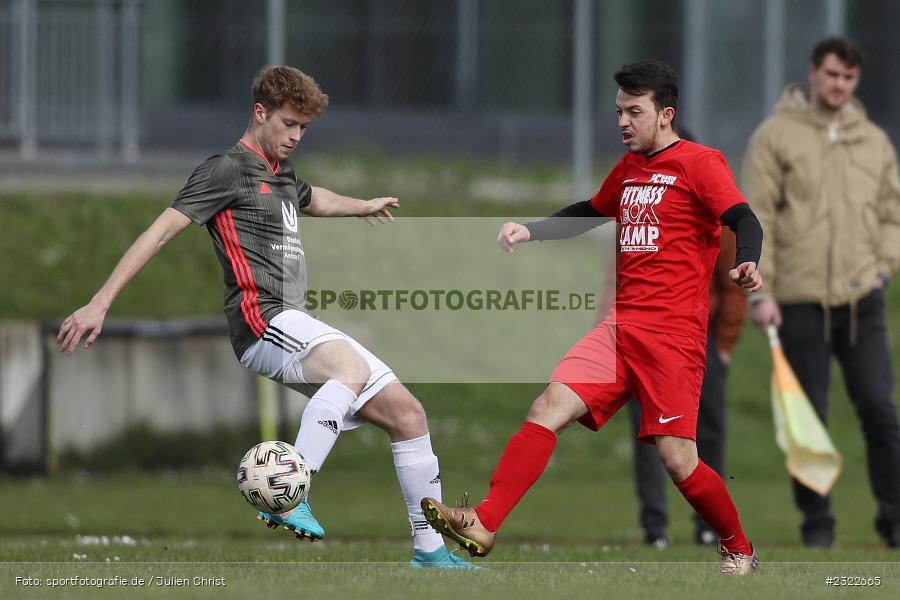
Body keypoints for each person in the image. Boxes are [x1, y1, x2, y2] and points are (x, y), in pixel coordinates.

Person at [55, 65, 474, 569]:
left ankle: (430, 554)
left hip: (293, 319)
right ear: (260, 113)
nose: (296, 136)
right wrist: (100, 302)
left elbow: (314, 199)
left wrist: (362, 205)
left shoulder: (281, 173)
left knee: (409, 415)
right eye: (288, 124)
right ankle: (292, 490)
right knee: (351, 368)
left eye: (304, 128)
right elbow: (159, 232)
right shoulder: (225, 169)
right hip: (262, 320)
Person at [421, 60, 764, 575]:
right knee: (547, 407)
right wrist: (531, 230)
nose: (623, 122)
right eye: (619, 111)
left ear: (666, 114)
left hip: (673, 339)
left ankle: (739, 547)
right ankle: (484, 522)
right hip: (618, 329)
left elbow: (742, 216)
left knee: (678, 461)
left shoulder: (701, 162)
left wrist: (748, 258)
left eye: (634, 111)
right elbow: (589, 210)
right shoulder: (629, 169)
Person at [743, 36, 900, 548]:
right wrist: (759, 292)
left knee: (879, 407)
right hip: (796, 300)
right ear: (813, 72)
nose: (840, 85)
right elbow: (757, 215)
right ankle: (818, 527)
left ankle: (893, 519)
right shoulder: (774, 136)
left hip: (862, 299)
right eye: (832, 74)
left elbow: (891, 213)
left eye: (849, 78)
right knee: (808, 418)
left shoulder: (874, 141)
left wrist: (884, 266)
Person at [626, 226, 748, 549]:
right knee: (648, 436)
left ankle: (711, 527)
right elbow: (619, 277)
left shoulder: (716, 218)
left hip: (697, 340)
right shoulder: (643, 210)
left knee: (708, 431)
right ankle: (655, 528)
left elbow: (732, 283)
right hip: (640, 340)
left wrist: (724, 342)